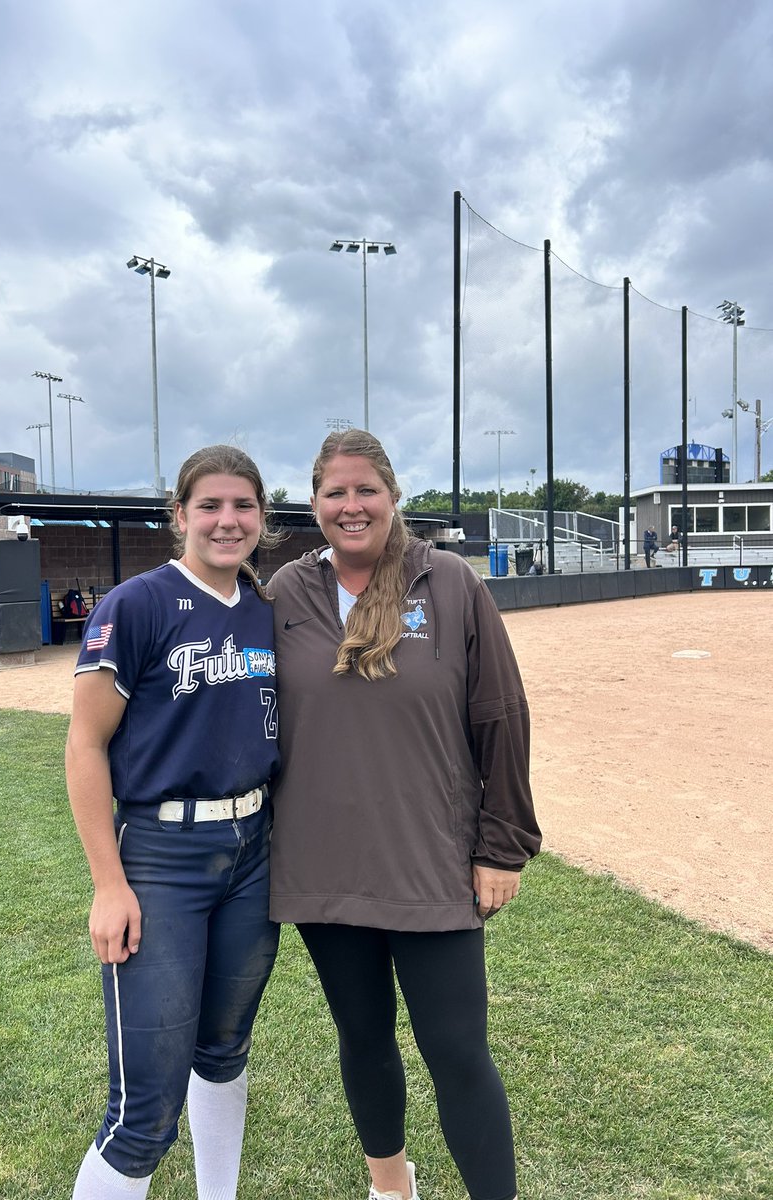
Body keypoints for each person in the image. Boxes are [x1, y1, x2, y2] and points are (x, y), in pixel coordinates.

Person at [267, 430, 541, 1200]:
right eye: (334, 493)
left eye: (366, 491)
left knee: (457, 1051)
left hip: (433, 865)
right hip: (325, 868)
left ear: (393, 497)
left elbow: (501, 715)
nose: (351, 507)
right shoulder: (285, 592)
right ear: (313, 502)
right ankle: (391, 1187)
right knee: (363, 1038)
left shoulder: (450, 582)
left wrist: (502, 847)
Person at [66, 445, 280, 1200]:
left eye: (243, 505)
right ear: (180, 514)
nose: (228, 520)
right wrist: (108, 885)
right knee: (143, 1111)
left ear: (263, 515)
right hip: (161, 855)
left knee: (223, 1050)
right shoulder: (138, 604)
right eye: (210, 505)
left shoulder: (264, 607)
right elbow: (85, 746)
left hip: (253, 852)